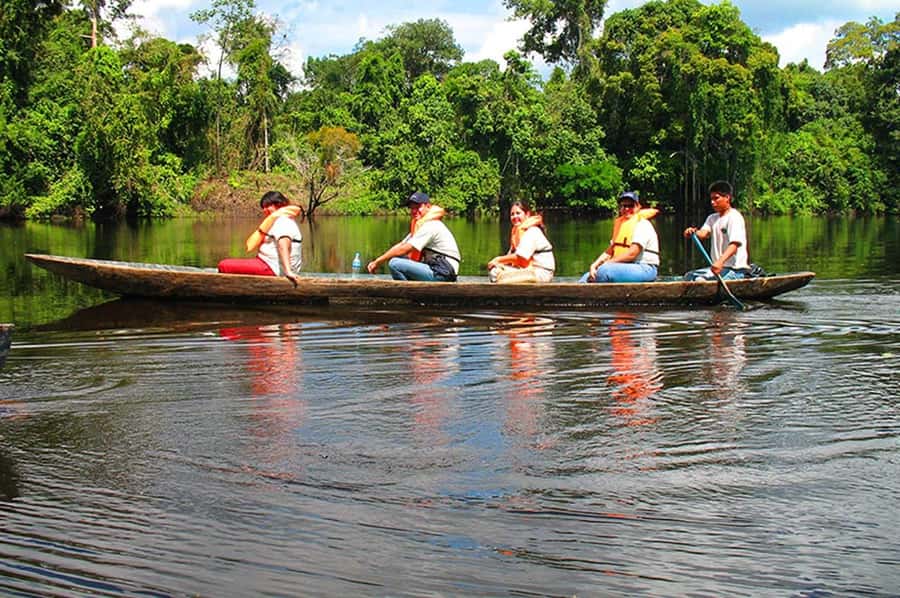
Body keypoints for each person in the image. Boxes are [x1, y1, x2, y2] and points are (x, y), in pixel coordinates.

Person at [367, 191, 461, 282]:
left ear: (428, 206)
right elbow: (401, 245)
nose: (414, 211)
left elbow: (405, 249)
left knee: (394, 264)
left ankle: (407, 294)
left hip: (443, 272)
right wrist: (377, 260)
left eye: (418, 207)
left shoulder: (432, 225)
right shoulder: (422, 225)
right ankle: (412, 290)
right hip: (439, 270)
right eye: (412, 208)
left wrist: (378, 262)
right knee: (401, 260)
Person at [218, 190, 302, 285]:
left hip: (272, 268)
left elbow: (283, 244)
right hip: (267, 264)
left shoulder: (283, 221)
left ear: (279, 204)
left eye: (267, 206)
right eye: (263, 207)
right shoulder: (279, 220)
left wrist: (288, 271)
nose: (264, 210)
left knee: (224, 265)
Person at [579, 191, 660, 283]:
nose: (626, 209)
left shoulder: (642, 225)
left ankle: (602, 296)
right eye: (623, 206)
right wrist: (594, 265)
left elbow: (632, 254)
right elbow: (610, 251)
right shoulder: (621, 225)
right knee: (587, 276)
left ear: (638, 206)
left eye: (630, 206)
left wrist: (606, 264)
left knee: (604, 271)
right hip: (627, 266)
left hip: (645, 268)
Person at [683, 180, 749, 281]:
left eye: (716, 198)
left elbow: (734, 245)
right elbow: (703, 233)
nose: (712, 202)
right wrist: (693, 232)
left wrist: (720, 262)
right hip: (718, 268)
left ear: (727, 198)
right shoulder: (712, 218)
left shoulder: (734, 217)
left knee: (699, 280)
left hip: (735, 270)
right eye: (711, 199)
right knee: (689, 276)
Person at [487, 200, 555, 284]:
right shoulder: (517, 232)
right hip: (528, 271)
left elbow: (521, 258)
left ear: (527, 214)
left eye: (518, 213)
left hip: (541, 274)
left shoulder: (532, 231)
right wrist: (497, 264)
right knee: (495, 270)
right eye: (512, 214)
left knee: (499, 276)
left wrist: (498, 259)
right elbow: (510, 257)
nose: (515, 217)